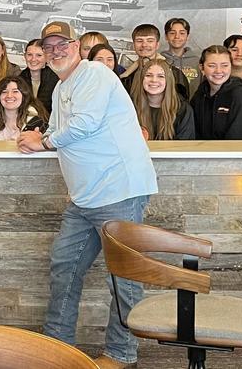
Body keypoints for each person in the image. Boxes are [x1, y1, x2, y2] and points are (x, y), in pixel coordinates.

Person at [16, 21, 157, 369]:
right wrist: (35, 137)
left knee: (123, 279)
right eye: (49, 47)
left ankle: (122, 354)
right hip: (84, 199)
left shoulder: (93, 73)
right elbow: (58, 128)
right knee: (65, 265)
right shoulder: (62, 87)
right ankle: (57, 345)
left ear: (77, 45)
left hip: (119, 191)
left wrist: (44, 142)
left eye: (61, 44)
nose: (55, 51)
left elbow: (84, 124)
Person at [189, 45, 242, 139]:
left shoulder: (241, 96)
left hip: (231, 152)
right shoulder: (201, 93)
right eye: (212, 66)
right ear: (202, 68)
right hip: (203, 151)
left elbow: (240, 139)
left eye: (224, 65)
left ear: (231, 67)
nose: (218, 71)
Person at [129, 57, 194, 140]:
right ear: (142, 79)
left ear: (168, 80)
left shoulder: (183, 109)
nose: (154, 80)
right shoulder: (130, 107)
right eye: (148, 75)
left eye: (160, 76)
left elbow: (185, 146)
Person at [120, 24, 189, 98]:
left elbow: (182, 105)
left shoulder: (174, 74)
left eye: (150, 41)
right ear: (134, 45)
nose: (144, 45)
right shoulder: (128, 77)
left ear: (157, 45)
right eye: (139, 41)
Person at [0, 76, 46, 141]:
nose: (9, 95)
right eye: (4, 92)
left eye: (15, 91)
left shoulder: (38, 122)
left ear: (24, 95)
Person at [17, 38, 59, 109]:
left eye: (39, 55)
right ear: (25, 56)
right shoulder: (19, 80)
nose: (33, 59)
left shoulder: (56, 80)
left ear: (46, 57)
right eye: (29, 55)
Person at [161, 17, 199, 87]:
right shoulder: (160, 59)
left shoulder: (197, 61)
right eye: (172, 33)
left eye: (182, 33)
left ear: (187, 36)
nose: (177, 36)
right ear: (166, 36)